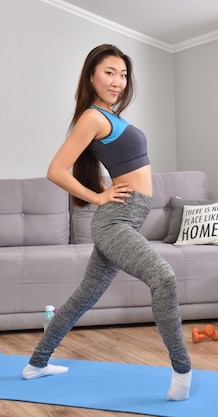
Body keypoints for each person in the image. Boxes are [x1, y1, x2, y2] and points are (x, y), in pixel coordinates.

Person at [21, 44, 192, 401]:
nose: (117, 81)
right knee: (163, 278)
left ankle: (36, 364)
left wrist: (102, 192)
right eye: (109, 73)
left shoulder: (111, 117)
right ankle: (182, 374)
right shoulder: (92, 117)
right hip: (115, 223)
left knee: (83, 298)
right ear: (91, 76)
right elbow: (55, 170)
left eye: (123, 74)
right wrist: (99, 197)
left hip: (126, 220)